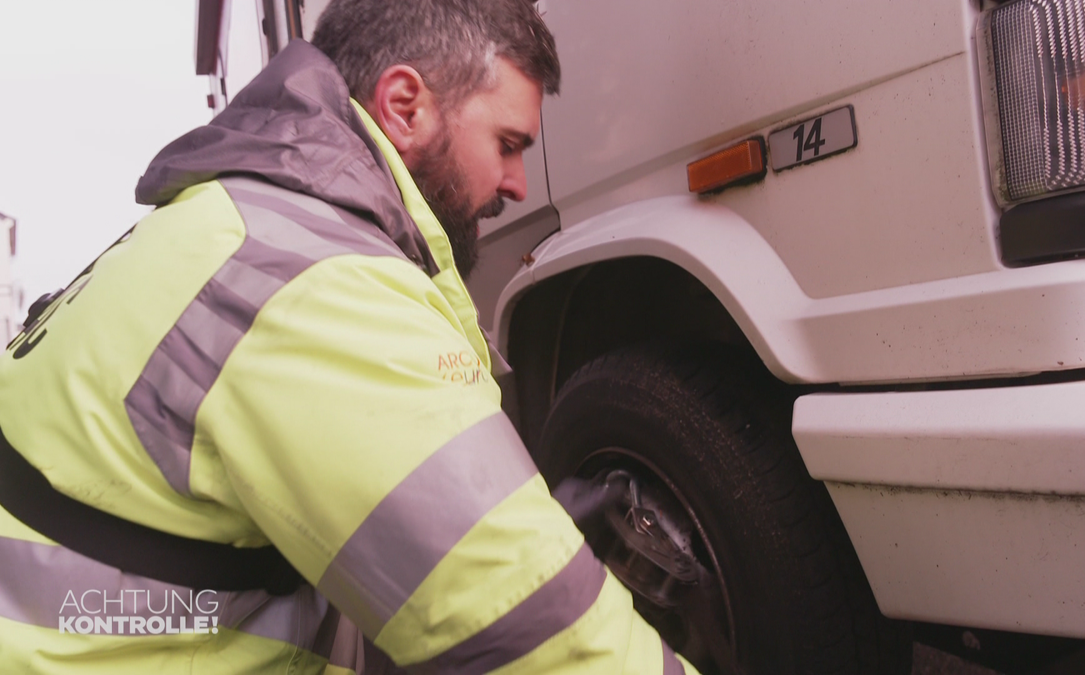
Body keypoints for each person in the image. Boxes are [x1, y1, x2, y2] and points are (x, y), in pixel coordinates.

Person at [0, 0, 698, 672]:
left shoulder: (239, 221)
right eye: (507, 144)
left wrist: (519, 525)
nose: (516, 183)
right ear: (404, 107)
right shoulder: (313, 278)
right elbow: (547, 643)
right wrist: (512, 562)